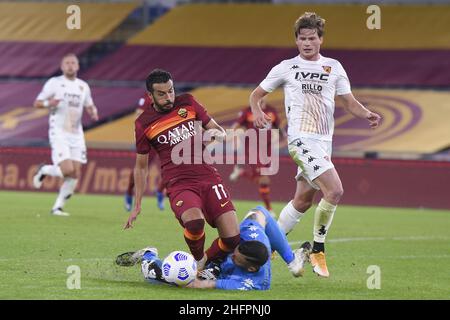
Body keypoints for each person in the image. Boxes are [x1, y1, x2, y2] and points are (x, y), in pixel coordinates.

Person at [249, 12, 381, 278]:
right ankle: (318, 249)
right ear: (296, 41)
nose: (307, 43)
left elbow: (349, 102)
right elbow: (257, 94)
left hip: (323, 143)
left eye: (312, 38)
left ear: (321, 40)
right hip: (300, 140)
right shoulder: (287, 67)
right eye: (302, 39)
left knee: (302, 201)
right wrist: (258, 110)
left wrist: (366, 113)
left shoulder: (334, 67)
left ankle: (265, 245)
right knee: (334, 191)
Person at [124, 69, 240, 270]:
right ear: (150, 96)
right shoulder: (143, 123)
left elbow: (216, 129)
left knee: (232, 239)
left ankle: (203, 264)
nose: (169, 97)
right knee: (194, 223)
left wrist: (215, 135)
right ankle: (199, 264)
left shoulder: (188, 102)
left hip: (209, 177)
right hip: (179, 183)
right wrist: (137, 205)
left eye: (171, 91)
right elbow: (141, 168)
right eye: (162, 94)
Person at [116, 206, 311, 290]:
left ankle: (148, 256)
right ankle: (293, 260)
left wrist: (184, 275)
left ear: (250, 269)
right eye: (236, 250)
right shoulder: (251, 234)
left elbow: (200, 285)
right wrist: (289, 258)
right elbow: (260, 211)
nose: (233, 255)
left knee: (172, 280)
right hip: (219, 260)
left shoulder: (252, 283)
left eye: (237, 257)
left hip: (219, 273)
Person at [32, 53, 99, 216]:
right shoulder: (54, 83)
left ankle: (57, 207)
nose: (70, 65)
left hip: (77, 135)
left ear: (77, 66)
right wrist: (49, 103)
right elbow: (37, 103)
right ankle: (44, 170)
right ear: (62, 67)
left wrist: (93, 111)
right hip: (59, 132)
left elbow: (89, 104)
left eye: (73, 63)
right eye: (67, 63)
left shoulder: (83, 86)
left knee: (75, 174)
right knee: (68, 170)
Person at [229, 97, 286, 214]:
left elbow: (278, 126)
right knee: (264, 179)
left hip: (267, 148)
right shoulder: (248, 111)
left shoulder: (271, 110)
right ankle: (269, 209)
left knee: (261, 179)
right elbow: (236, 124)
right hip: (253, 148)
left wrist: (285, 137)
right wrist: (230, 134)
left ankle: (242, 173)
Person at [124, 93, 166, 212]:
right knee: (141, 167)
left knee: (171, 166)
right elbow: (138, 115)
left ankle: (160, 192)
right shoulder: (147, 98)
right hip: (150, 137)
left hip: (165, 137)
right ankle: (128, 192)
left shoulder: (170, 98)